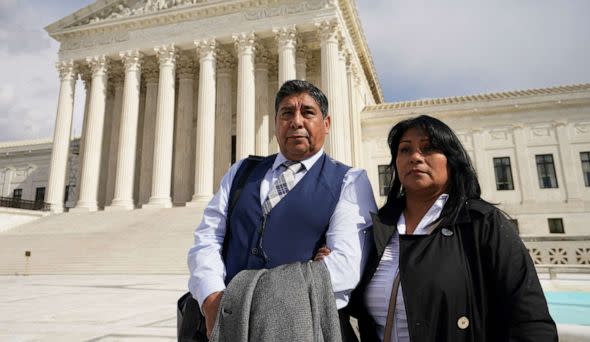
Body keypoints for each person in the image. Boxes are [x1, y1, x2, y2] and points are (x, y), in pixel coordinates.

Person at [317, 115, 557, 341]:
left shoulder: (481, 223)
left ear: (452, 160)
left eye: (428, 148)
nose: (415, 157)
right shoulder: (380, 226)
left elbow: (530, 320)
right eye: (405, 149)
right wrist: (334, 266)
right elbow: (357, 304)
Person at [187, 79, 377, 339]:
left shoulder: (349, 181)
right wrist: (211, 298)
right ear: (276, 123)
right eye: (287, 113)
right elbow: (207, 238)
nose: (296, 122)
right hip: (226, 323)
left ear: (327, 124)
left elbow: (343, 269)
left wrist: (249, 302)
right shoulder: (241, 172)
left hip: (302, 329)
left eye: (308, 112)